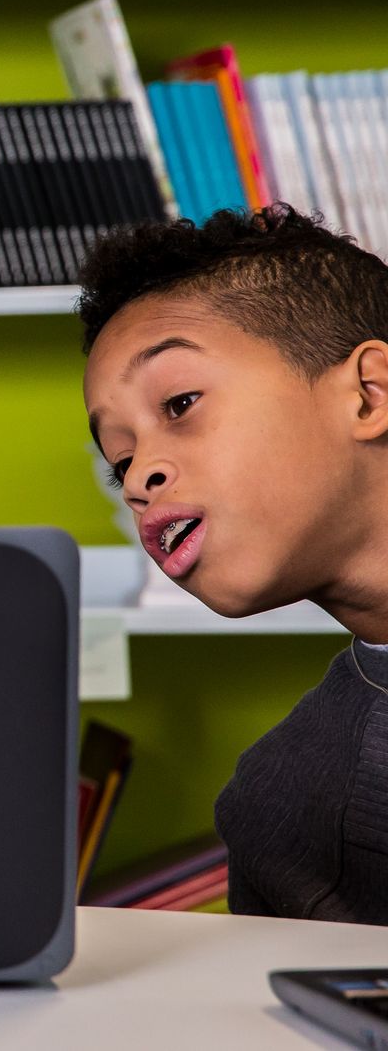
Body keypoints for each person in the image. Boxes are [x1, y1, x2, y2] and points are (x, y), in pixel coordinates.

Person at [80, 205, 388, 923]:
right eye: (118, 459)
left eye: (180, 402)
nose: (135, 478)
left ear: (371, 391)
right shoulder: (286, 808)